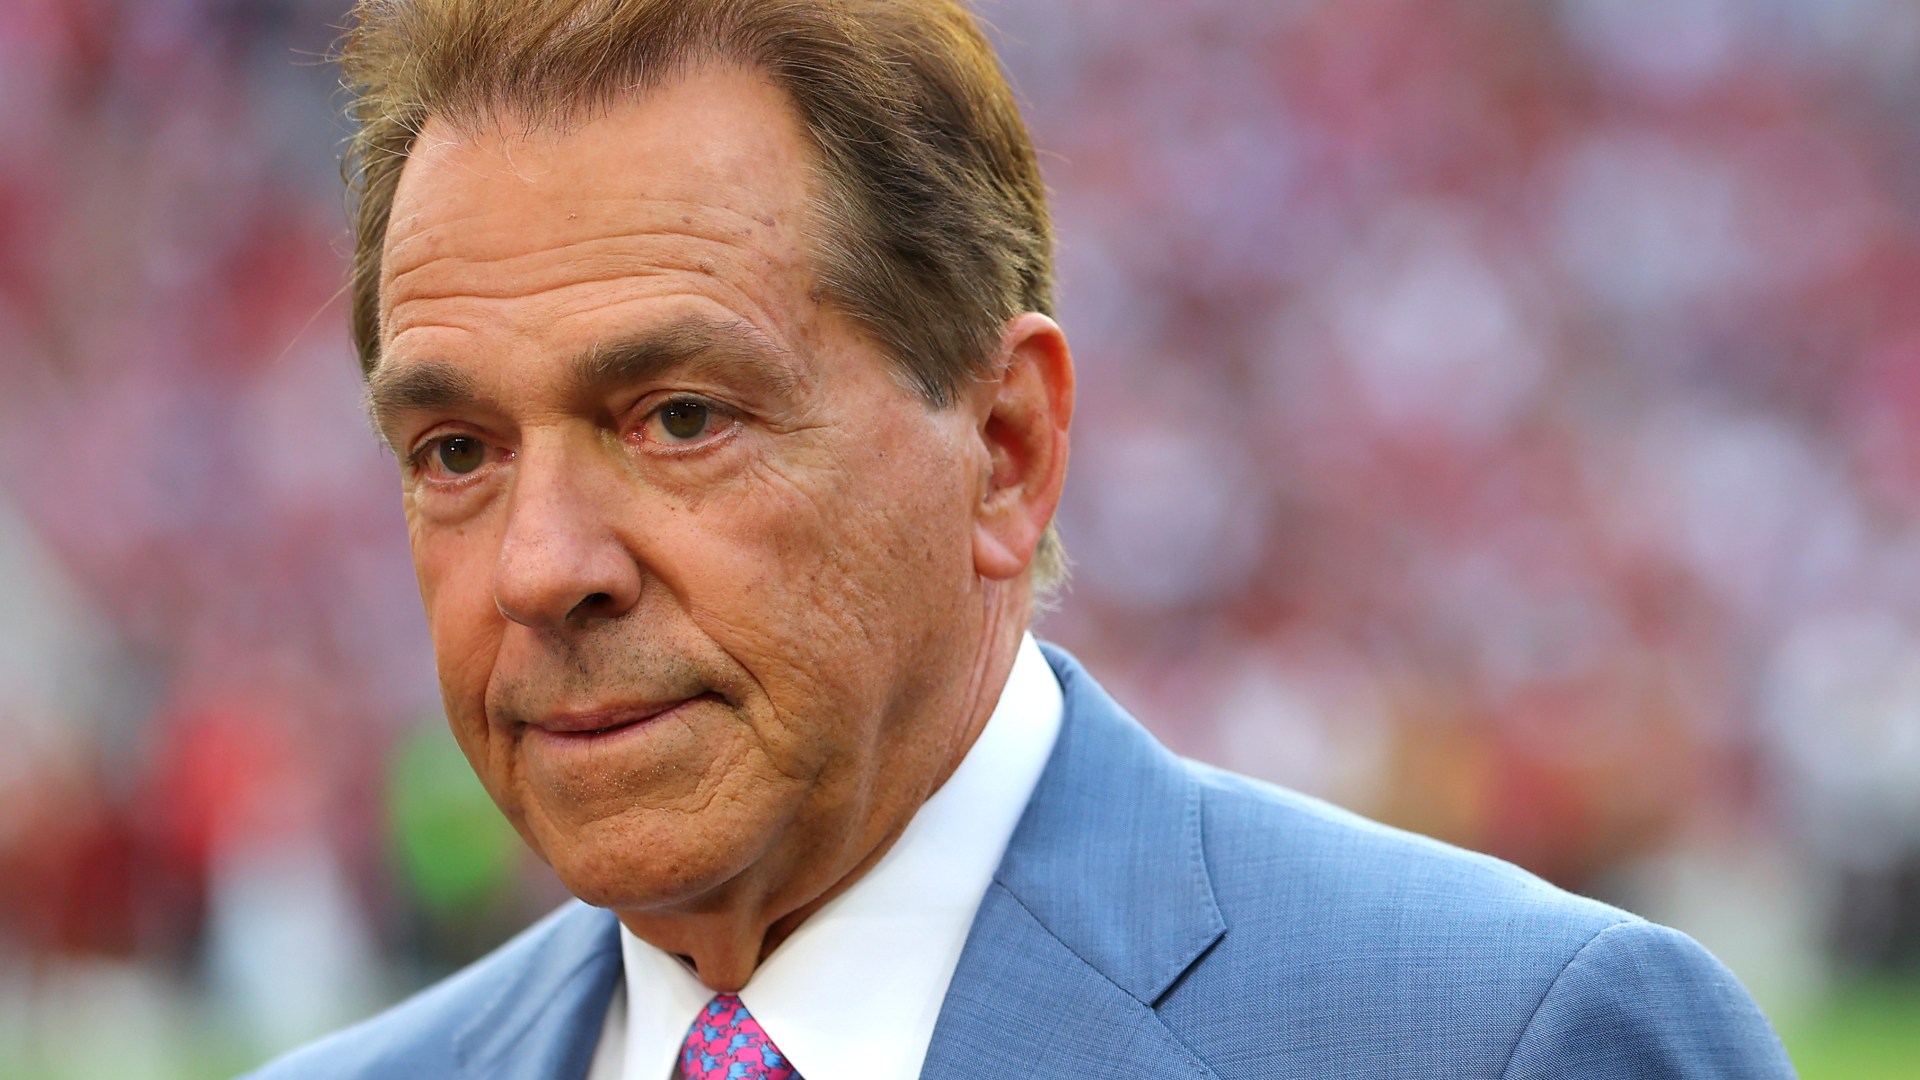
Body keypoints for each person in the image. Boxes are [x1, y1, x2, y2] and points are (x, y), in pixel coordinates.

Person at [249, 1, 1795, 1076]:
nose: (540, 567)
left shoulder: (1513, 1042)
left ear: (1006, 451)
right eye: (457, 451)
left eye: (680, 417)